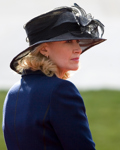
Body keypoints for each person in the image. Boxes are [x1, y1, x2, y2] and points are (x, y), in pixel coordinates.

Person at [2, 3, 106, 150]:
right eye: (68, 41)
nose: (78, 49)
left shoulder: (13, 92)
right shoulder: (60, 90)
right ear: (44, 49)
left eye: (77, 41)